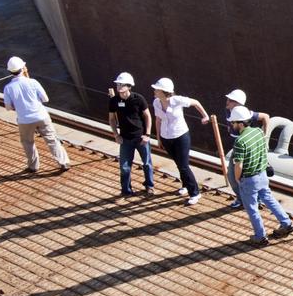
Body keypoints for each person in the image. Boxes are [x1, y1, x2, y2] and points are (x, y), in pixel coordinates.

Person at [228, 105, 293, 245]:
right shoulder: (258, 131)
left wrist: (238, 179)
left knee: (251, 208)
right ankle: (286, 223)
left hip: (249, 179)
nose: (231, 125)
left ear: (240, 123)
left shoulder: (240, 141)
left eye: (233, 122)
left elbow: (238, 165)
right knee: (270, 200)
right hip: (262, 175)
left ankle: (260, 236)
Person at [2, 56, 70, 174]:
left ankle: (33, 166)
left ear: (10, 71)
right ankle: (63, 162)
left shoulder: (8, 88)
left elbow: (8, 107)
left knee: (28, 143)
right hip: (41, 116)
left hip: (24, 120)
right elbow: (45, 99)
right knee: (52, 139)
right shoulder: (33, 82)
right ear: (23, 68)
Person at [151, 78, 210, 206]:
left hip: (181, 136)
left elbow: (196, 103)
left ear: (164, 91)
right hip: (166, 137)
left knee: (183, 165)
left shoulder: (177, 100)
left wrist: (205, 116)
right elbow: (158, 120)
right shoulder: (156, 102)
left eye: (157, 89)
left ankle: (195, 192)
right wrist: (159, 138)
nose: (154, 91)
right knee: (179, 164)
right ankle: (185, 185)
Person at [107, 73, 154, 197]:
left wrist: (147, 134)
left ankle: (149, 186)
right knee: (124, 166)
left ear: (129, 86)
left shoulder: (138, 99)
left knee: (147, 163)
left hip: (141, 138)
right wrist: (116, 135)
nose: (118, 86)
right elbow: (111, 119)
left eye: (121, 84)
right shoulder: (114, 100)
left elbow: (147, 116)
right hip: (125, 139)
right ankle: (126, 190)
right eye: (117, 84)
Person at [223, 89, 270, 209]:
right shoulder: (228, 111)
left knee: (249, 176)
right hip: (237, 148)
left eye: (230, 100)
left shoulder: (245, 114)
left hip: (247, 149)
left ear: (238, 103)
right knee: (232, 177)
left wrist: (265, 137)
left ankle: (255, 200)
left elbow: (265, 117)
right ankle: (242, 199)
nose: (227, 101)